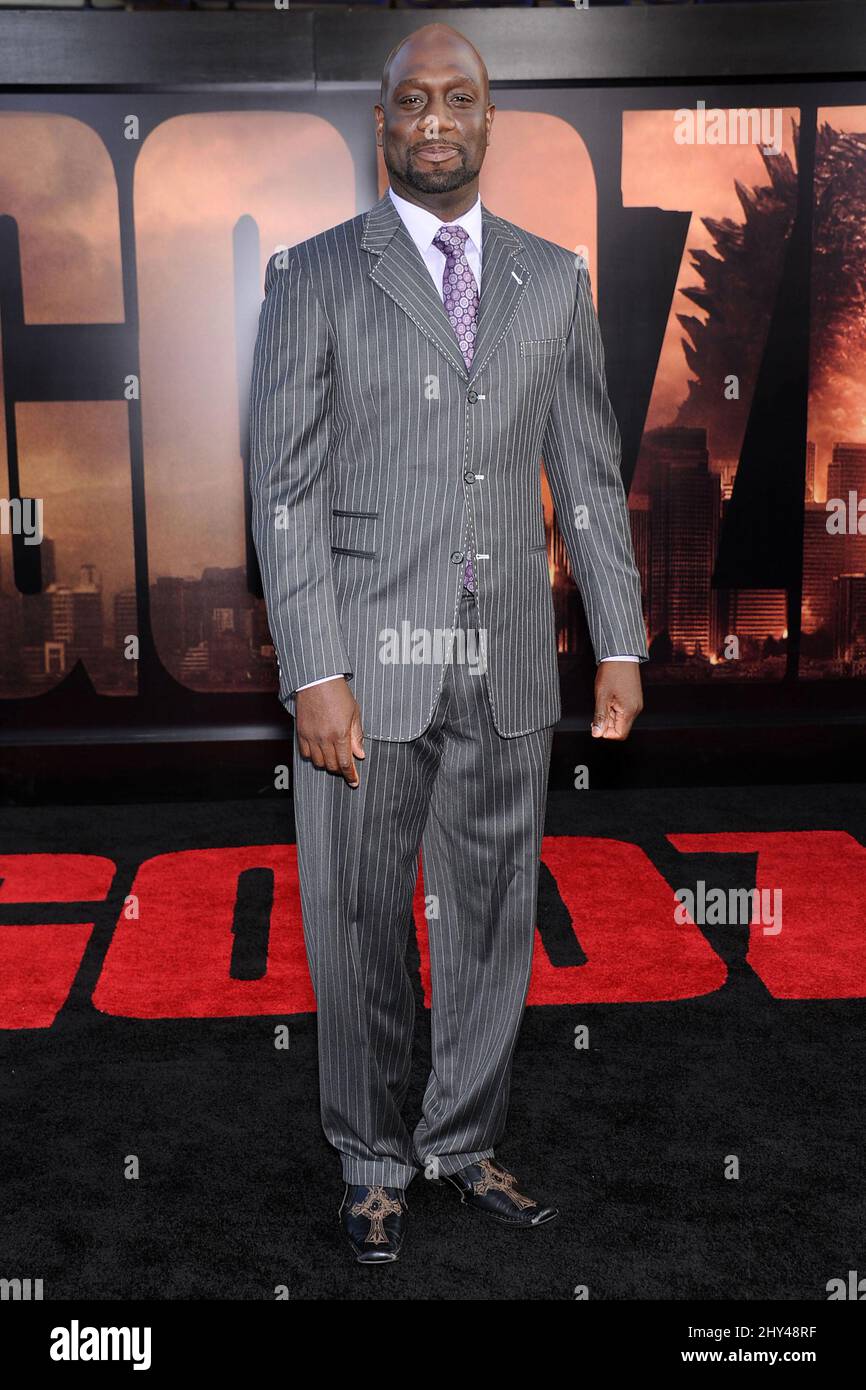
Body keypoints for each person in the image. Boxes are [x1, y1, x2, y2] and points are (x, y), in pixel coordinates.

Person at [249, 22, 647, 1264]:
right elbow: (284, 491)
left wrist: (620, 640)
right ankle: (370, 1158)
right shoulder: (312, 276)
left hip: (512, 665)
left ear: (487, 120)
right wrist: (313, 669)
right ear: (383, 125)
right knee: (358, 920)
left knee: (488, 920)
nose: (435, 118)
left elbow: (585, 473)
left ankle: (457, 1142)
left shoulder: (550, 277)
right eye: (411, 100)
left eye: (457, 99)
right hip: (362, 672)